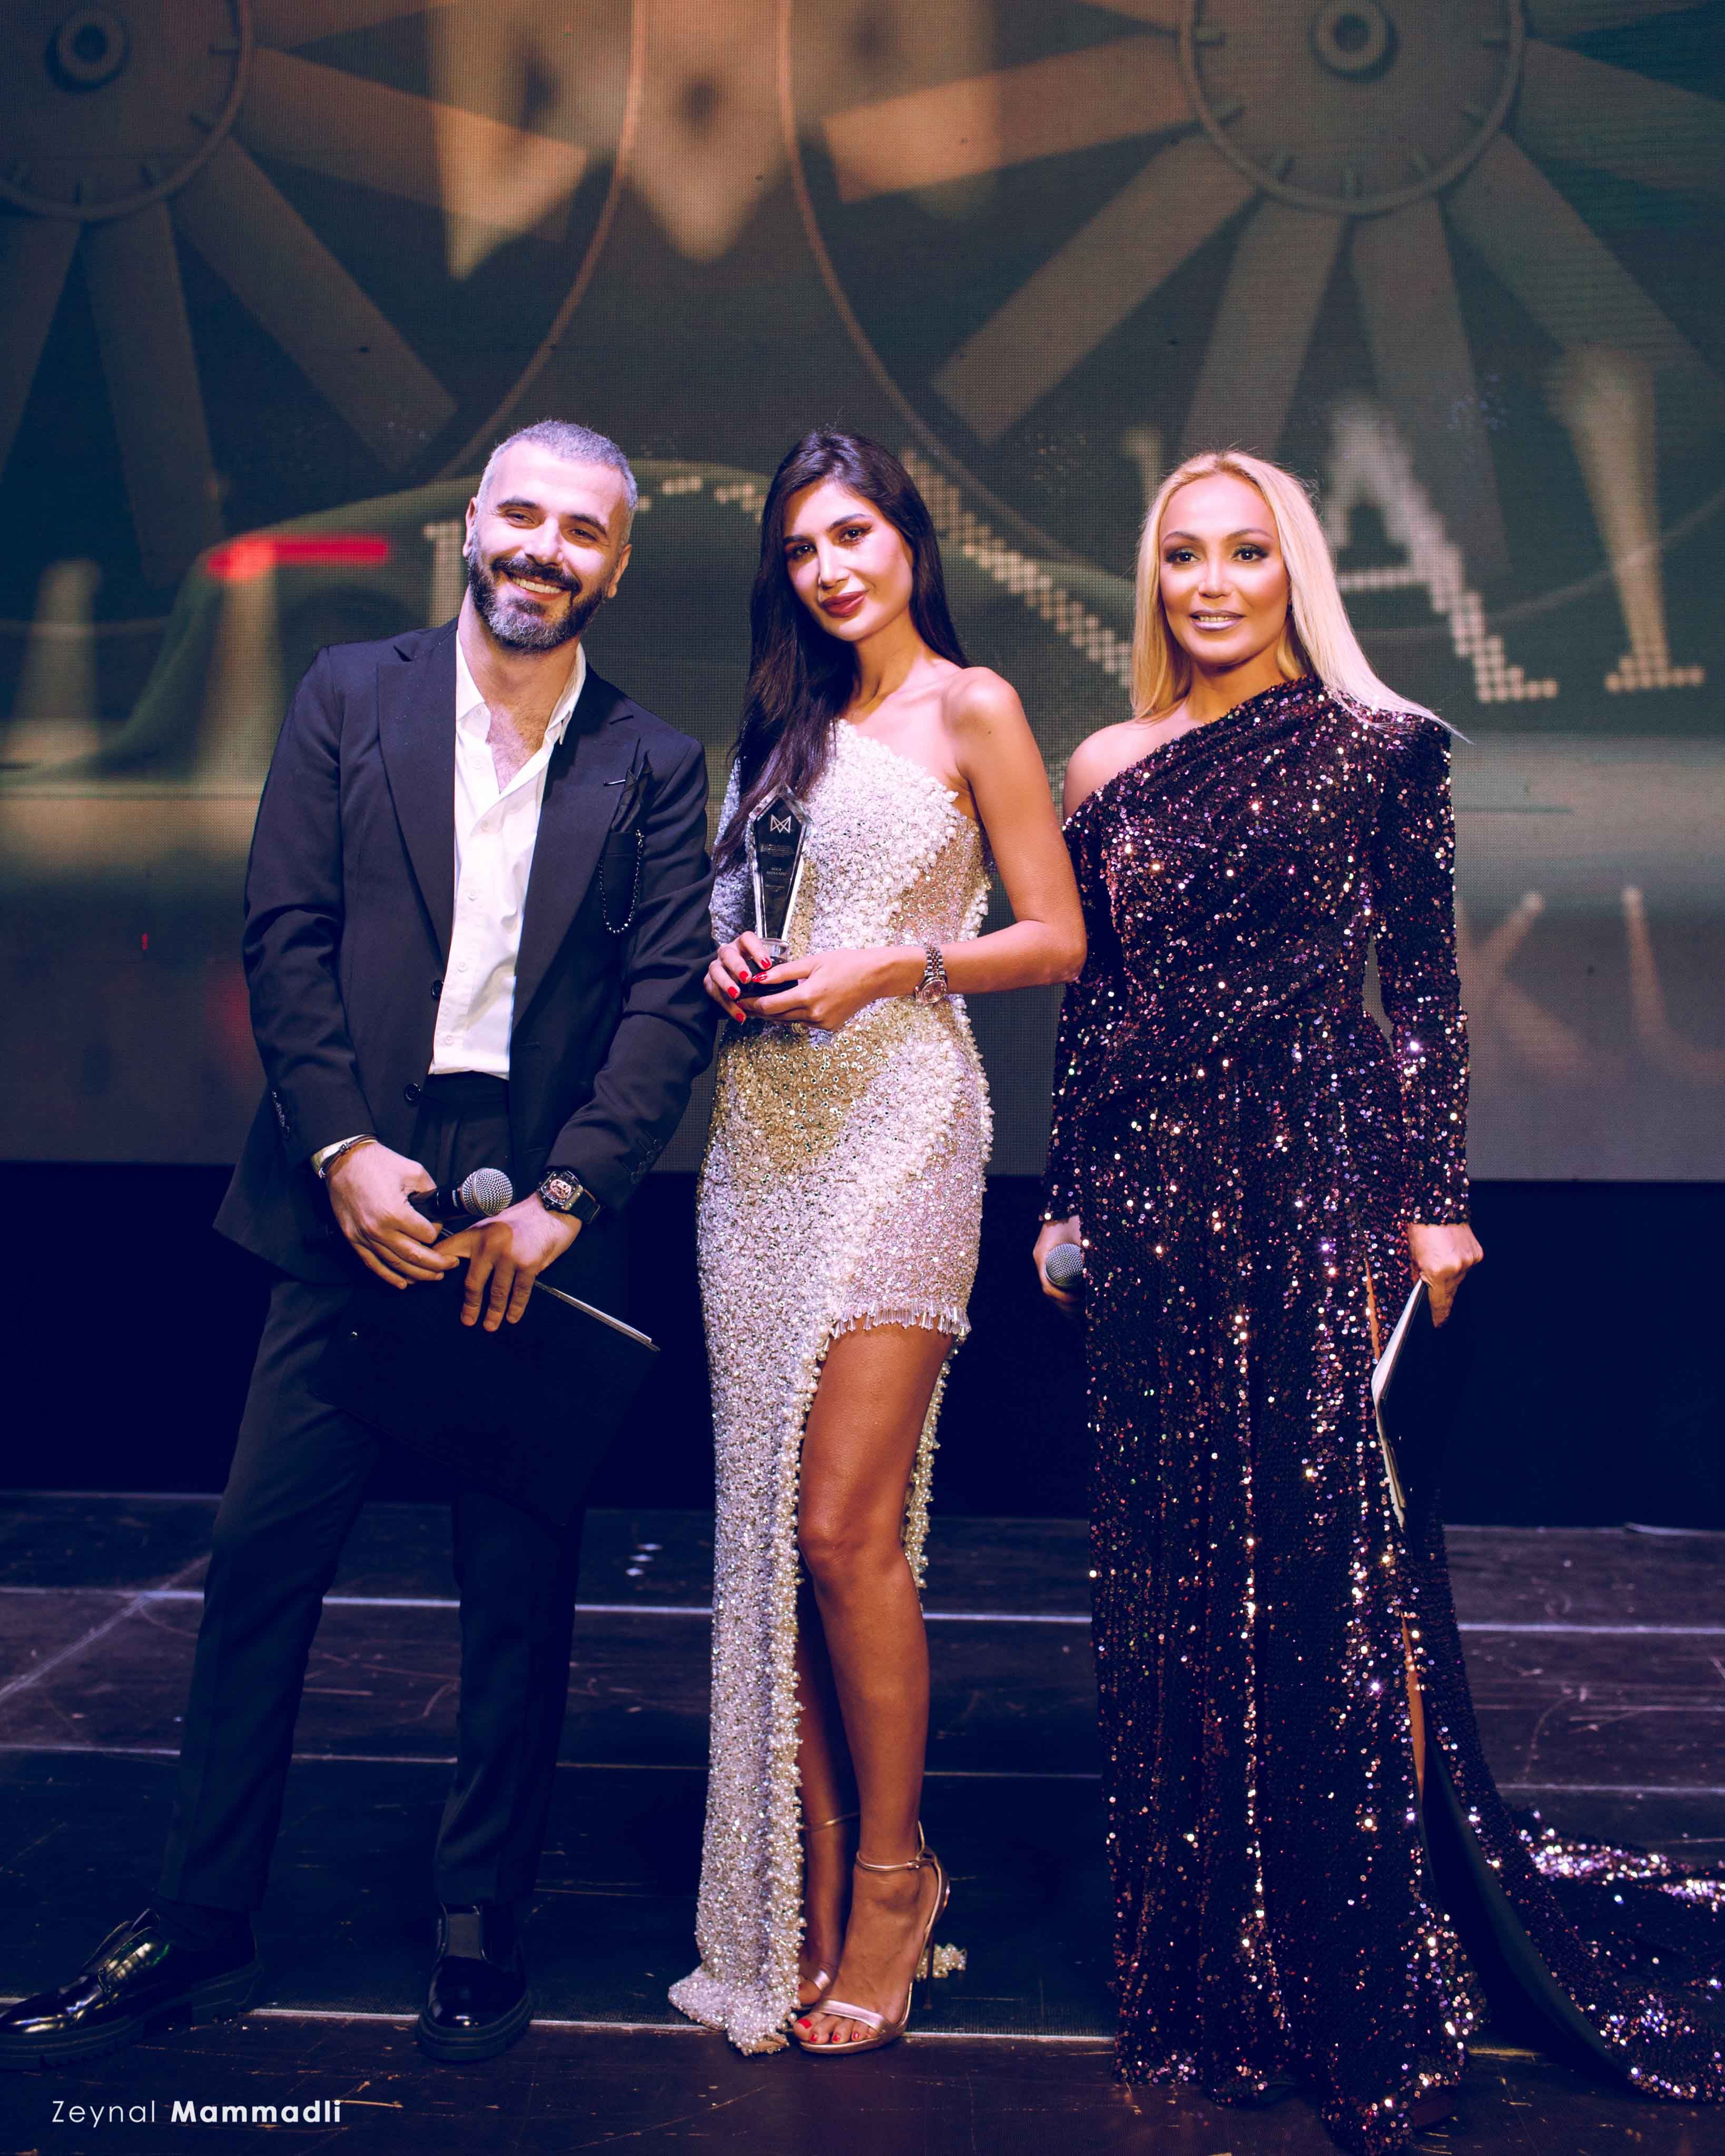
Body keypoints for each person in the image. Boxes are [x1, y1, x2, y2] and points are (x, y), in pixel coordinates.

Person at [0, 420, 717, 2071]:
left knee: (515, 1597)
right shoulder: (345, 694)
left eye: (581, 532)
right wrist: (339, 1150)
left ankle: (478, 1926)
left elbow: (667, 1003)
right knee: (261, 1573)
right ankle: (196, 1926)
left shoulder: (654, 764)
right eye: (521, 516)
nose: (543, 550)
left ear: (619, 564)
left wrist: (568, 1198)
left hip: (534, 1223)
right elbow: (286, 930)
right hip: (352, 1197)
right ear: (470, 525)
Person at [1035, 449, 1725, 2153]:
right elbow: (1093, 1003)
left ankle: (1365, 1959)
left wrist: (1429, 1198)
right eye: (1182, 555)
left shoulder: (1380, 746)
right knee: (1175, 1575)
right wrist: (1062, 1197)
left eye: (1243, 553)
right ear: (1153, 578)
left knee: (1331, 1581)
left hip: (1308, 1176)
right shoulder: (1104, 762)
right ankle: (1208, 1967)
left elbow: (1418, 989)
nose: (1210, 582)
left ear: (1294, 572)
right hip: (1150, 1196)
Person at [669, 429, 1085, 2057]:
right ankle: (812, 1885)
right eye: (801, 548)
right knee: (775, 1539)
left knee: (846, 1529)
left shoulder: (972, 707)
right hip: (760, 1137)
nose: (829, 568)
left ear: (909, 539)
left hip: (904, 1125)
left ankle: (898, 1882)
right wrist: (734, 966)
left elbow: (1054, 936)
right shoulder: (781, 729)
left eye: (852, 534)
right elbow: (741, 919)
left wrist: (885, 967)